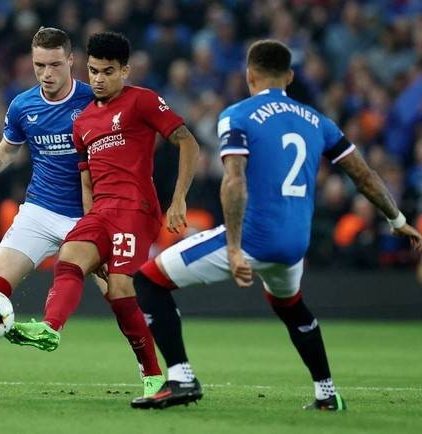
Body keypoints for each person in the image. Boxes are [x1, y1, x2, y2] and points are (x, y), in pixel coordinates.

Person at [129, 39, 422, 410]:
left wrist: (234, 249)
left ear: (249, 75)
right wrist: (397, 219)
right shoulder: (319, 121)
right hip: (294, 244)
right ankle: (327, 394)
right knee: (292, 307)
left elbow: (233, 180)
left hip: (254, 239)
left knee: (149, 280)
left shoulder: (237, 115)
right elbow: (364, 176)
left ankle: (181, 378)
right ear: (290, 76)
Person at [0, 28, 165, 397]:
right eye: (38, 65)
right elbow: (5, 152)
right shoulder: (23, 106)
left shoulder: (94, 99)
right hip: (38, 210)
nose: (46, 73)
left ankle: (154, 377)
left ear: (70, 62)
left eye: (53, 65)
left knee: (120, 295)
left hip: (88, 216)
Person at [6, 32, 200, 384]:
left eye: (107, 72)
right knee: (70, 256)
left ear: (125, 71)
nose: (98, 79)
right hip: (100, 213)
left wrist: (179, 198)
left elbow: (187, 142)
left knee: (122, 288)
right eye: (93, 71)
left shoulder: (142, 101)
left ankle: (154, 376)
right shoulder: (81, 123)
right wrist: (92, 233)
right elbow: (86, 183)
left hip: (136, 209)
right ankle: (50, 328)